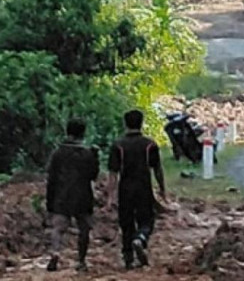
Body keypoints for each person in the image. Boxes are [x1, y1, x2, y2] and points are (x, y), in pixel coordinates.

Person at [107, 110, 166, 269]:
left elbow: (113, 173)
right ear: (142, 123)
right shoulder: (149, 144)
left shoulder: (118, 145)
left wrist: (110, 196)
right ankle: (140, 238)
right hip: (144, 187)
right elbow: (157, 169)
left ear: (125, 124)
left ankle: (128, 258)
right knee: (146, 220)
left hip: (125, 189)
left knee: (126, 222)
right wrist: (162, 189)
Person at [45, 120, 99, 272]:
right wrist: (95, 158)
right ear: (83, 133)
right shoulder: (87, 153)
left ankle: (55, 253)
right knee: (84, 229)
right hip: (83, 195)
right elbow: (93, 176)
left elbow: (51, 178)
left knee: (58, 228)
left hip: (61, 194)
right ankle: (81, 261)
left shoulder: (58, 153)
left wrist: (50, 201)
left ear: (67, 132)